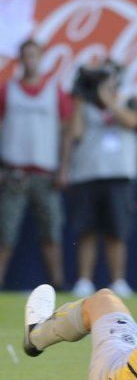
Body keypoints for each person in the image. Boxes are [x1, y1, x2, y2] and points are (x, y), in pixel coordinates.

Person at [63, 60, 137, 298]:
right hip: (87, 173)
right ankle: (84, 281)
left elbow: (133, 121)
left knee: (116, 231)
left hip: (119, 174)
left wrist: (108, 99)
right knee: (86, 231)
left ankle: (118, 281)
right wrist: (80, 100)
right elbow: (75, 133)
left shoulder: (128, 99)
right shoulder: (85, 103)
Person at [0, 39, 72, 290]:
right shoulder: (7, 90)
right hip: (14, 172)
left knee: (52, 232)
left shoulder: (55, 91)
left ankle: (58, 283)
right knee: (5, 232)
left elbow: (66, 133)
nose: (30, 61)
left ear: (41, 58)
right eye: (26, 56)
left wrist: (63, 167)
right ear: (20, 60)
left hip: (46, 173)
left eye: (34, 56)